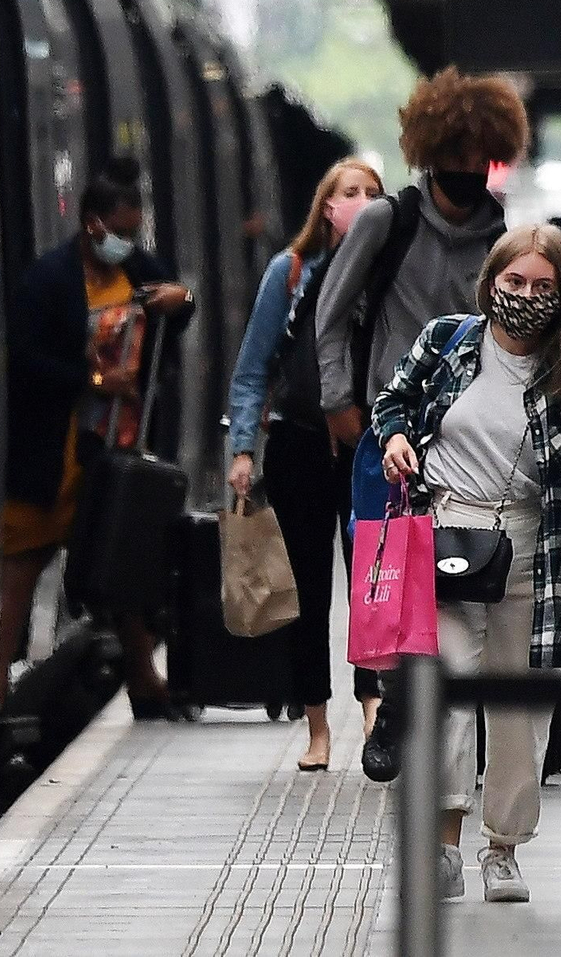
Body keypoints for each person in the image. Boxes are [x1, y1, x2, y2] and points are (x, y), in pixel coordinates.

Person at [372, 225, 561, 903]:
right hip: (447, 529)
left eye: (544, 286)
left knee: (520, 702)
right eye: (514, 283)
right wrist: (394, 437)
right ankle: (444, 846)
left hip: (536, 544)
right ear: (491, 282)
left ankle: (502, 847)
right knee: (444, 687)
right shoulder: (450, 340)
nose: (526, 297)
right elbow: (391, 401)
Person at [315, 65, 529, 778]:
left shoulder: (503, 234)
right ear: (429, 149)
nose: (469, 169)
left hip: (472, 443)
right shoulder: (387, 220)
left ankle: (414, 713)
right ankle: (389, 702)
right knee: (388, 579)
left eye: (481, 156)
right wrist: (340, 401)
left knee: (452, 583)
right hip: (388, 432)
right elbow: (332, 313)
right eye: (457, 153)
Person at [0, 162, 193, 717]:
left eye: (135, 232)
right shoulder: (49, 280)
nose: (127, 243)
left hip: (117, 452)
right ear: (92, 224)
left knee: (123, 562)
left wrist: (185, 301)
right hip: (52, 449)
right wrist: (91, 380)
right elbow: (25, 357)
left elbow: (173, 310)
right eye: (120, 230)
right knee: (25, 558)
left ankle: (143, 678)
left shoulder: (137, 270)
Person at [226, 158, 386, 769]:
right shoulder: (290, 273)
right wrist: (244, 447)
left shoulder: (385, 274)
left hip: (369, 444)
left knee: (373, 578)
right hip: (297, 444)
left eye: (373, 193)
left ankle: (373, 707)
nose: (362, 203)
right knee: (309, 588)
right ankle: (316, 722)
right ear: (326, 205)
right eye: (350, 193)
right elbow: (253, 367)